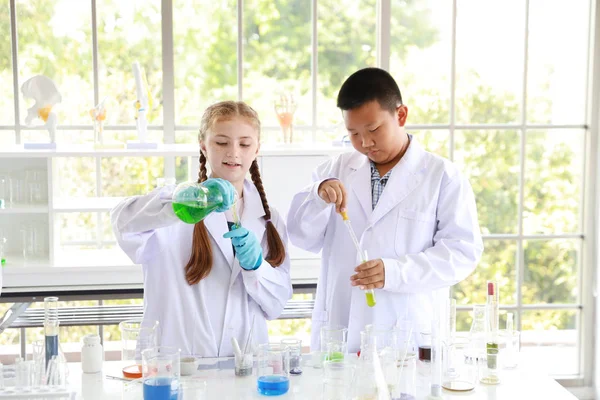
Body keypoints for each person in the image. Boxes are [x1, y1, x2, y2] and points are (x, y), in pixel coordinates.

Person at [287, 67, 483, 352]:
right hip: (340, 331)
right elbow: (301, 237)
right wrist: (317, 197)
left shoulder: (442, 177)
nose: (365, 142)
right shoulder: (334, 170)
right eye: (353, 133)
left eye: (374, 129)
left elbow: (462, 253)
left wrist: (395, 272)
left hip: (407, 335)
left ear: (401, 115)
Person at [112, 101, 292, 357]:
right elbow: (123, 223)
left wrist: (256, 267)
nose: (233, 152)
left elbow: (277, 304)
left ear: (257, 149)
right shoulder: (175, 210)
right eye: (221, 142)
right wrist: (177, 204)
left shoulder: (269, 219)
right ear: (203, 144)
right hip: (179, 365)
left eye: (244, 143)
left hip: (244, 366)